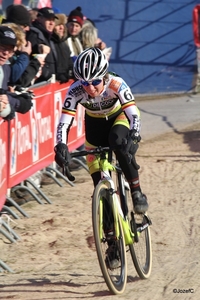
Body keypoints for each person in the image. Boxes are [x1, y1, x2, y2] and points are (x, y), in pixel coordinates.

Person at [54, 47, 148, 267]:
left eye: (95, 81)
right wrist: (60, 146)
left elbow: (134, 113)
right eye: (84, 83)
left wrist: (134, 136)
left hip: (119, 121)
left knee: (118, 143)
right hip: (94, 130)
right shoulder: (76, 90)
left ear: (104, 75)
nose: (90, 87)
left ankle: (136, 193)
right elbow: (64, 122)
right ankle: (113, 244)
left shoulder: (116, 83)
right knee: (100, 188)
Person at [0, 25, 33, 120]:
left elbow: (4, 96)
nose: (6, 53)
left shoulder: (4, 68)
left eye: (10, 50)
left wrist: (9, 100)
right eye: (2, 47)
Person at [51, 13, 74, 83]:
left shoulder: (64, 45)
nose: (61, 28)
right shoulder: (50, 44)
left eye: (62, 25)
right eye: (58, 25)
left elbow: (70, 63)